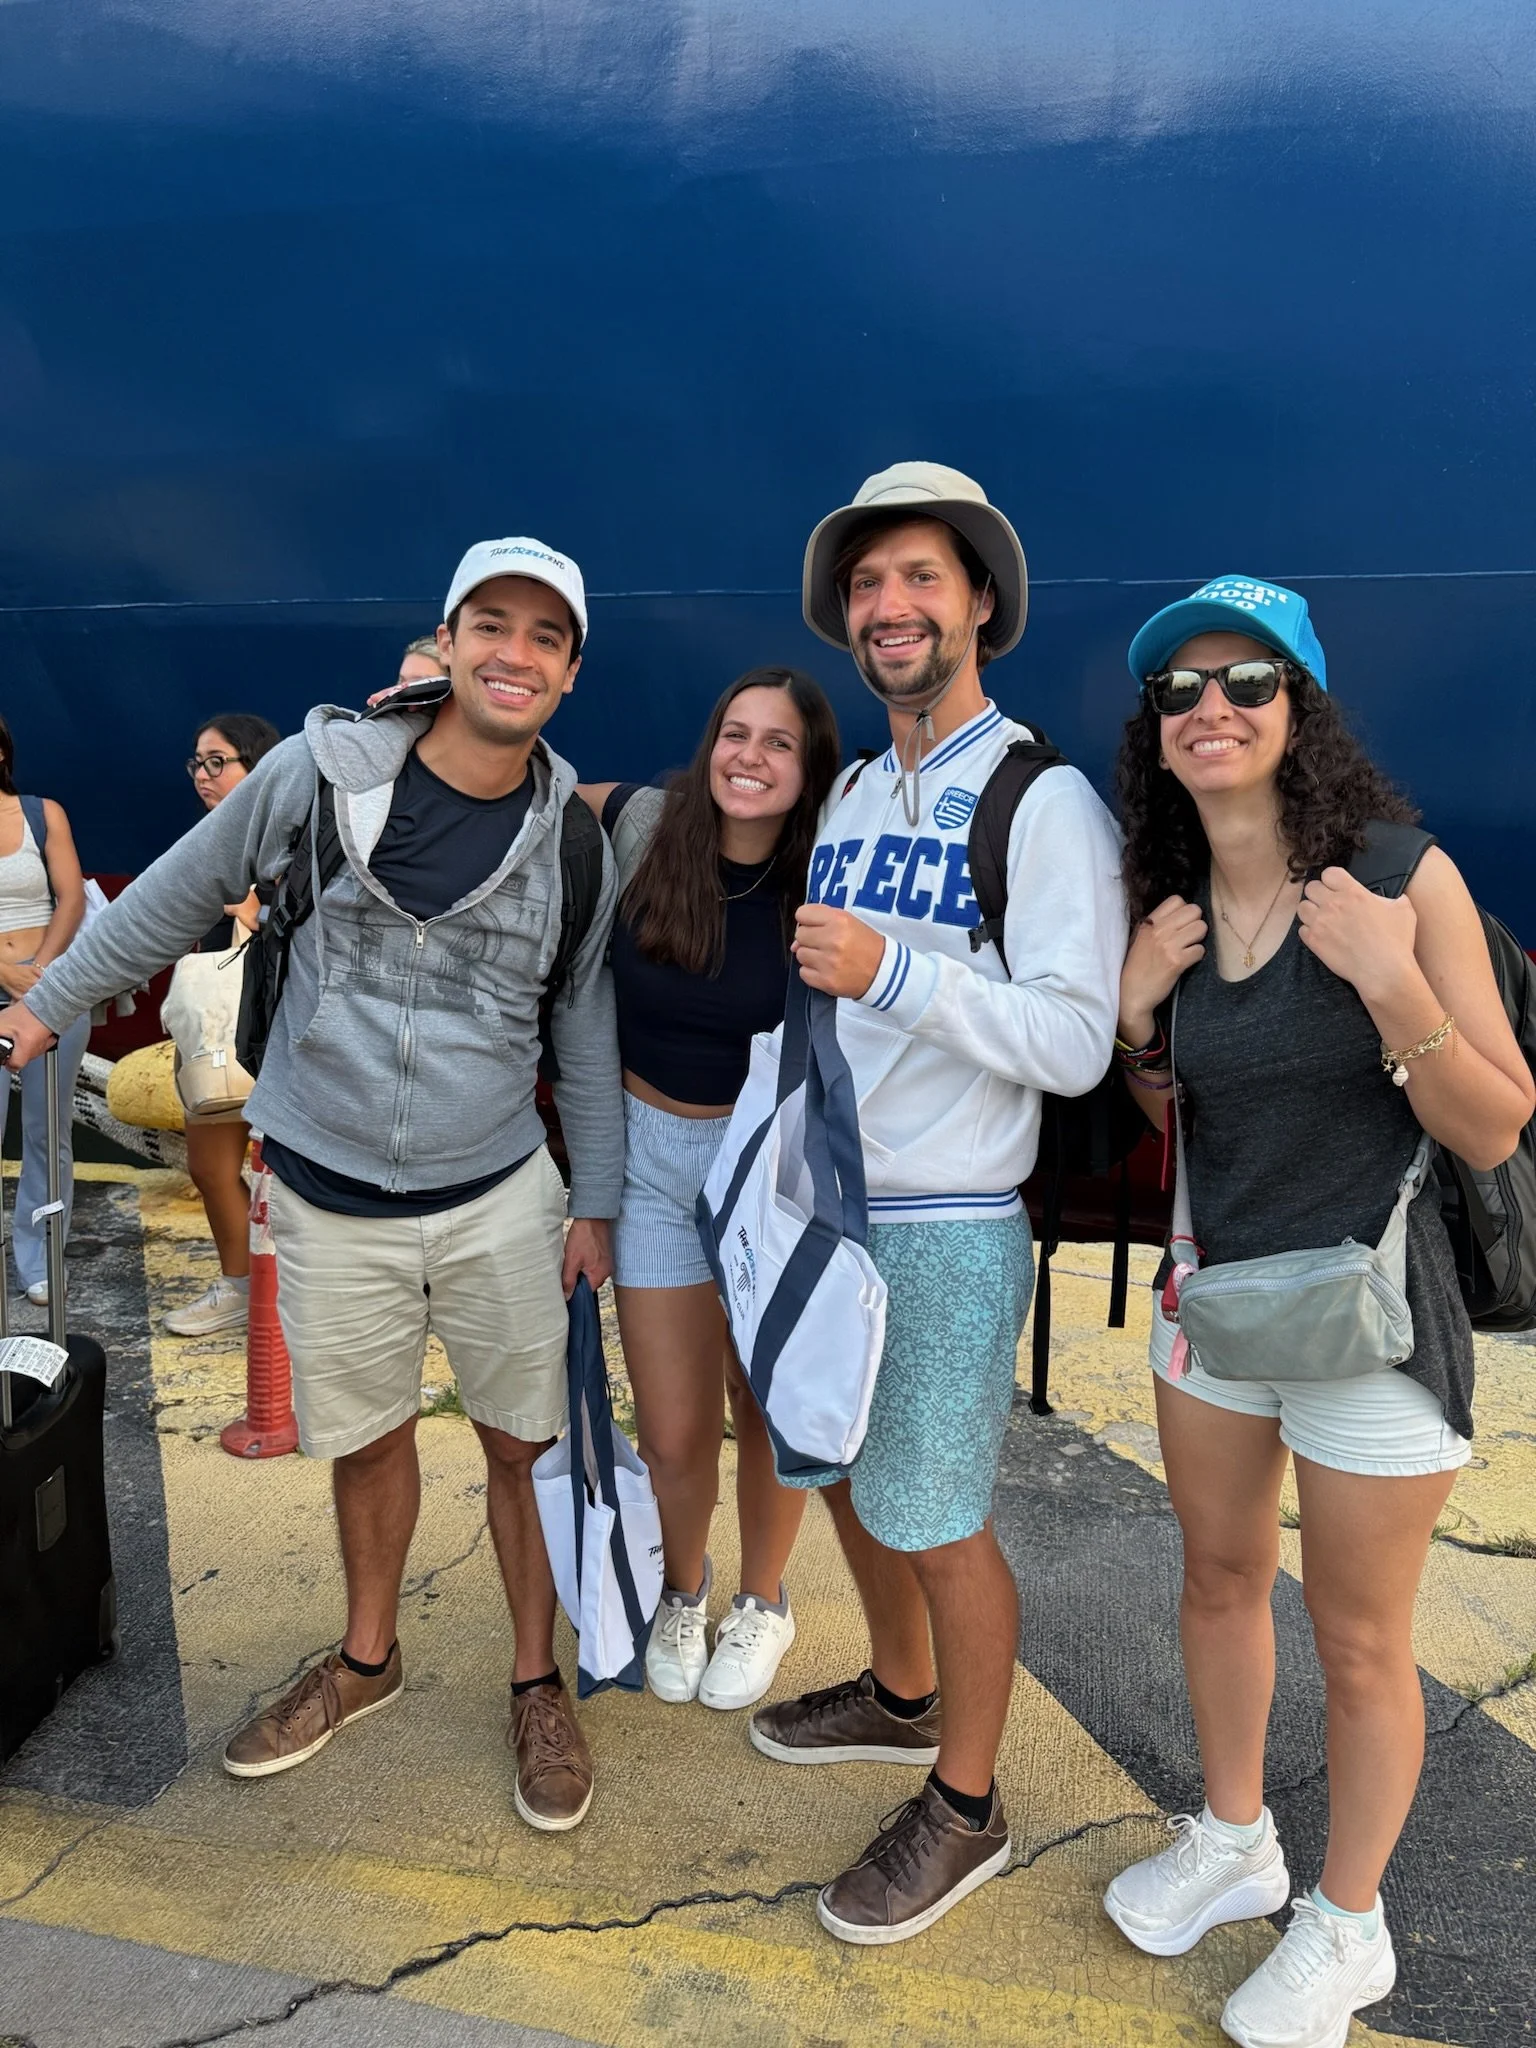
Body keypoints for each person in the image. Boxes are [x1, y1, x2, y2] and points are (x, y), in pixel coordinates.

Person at [1, 537, 623, 1833]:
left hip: (497, 1189)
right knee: (368, 1438)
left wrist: (599, 1203)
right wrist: (48, 1008)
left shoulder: (571, 839)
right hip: (331, 1189)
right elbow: (173, 896)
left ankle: (533, 1678)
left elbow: (582, 1032)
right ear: (449, 644)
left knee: (523, 1446)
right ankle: (366, 1658)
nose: (515, 653)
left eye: (546, 638)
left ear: (568, 673)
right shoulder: (311, 775)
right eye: (491, 626)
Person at [1101, 577, 1532, 2048]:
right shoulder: (1165, 907)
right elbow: (1190, 1111)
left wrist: (1393, 983)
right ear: (1157, 733)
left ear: (1302, 714)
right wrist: (1139, 1020)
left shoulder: (1400, 881)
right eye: (1183, 692)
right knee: (1217, 1581)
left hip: (1372, 1319)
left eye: (1249, 684)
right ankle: (1236, 1841)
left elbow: (1494, 1125)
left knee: (1360, 1642)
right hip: (1217, 1303)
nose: (1212, 709)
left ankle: (1350, 1929)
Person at [747, 463, 1127, 1944]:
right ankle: (905, 1700)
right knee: (845, 1472)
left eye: (919, 579)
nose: (887, 606)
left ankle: (968, 1808)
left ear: (980, 603)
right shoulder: (849, 786)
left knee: (940, 1513)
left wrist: (895, 971)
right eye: (866, 583)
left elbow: (1075, 1037)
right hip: (832, 1205)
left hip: (953, 1218)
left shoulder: (1041, 800)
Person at [577, 667, 841, 1712]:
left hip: (767, 1169)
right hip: (650, 1161)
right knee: (676, 1425)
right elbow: (533, 784)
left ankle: (762, 1598)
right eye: (736, 732)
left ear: (810, 765)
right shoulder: (644, 825)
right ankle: (681, 1592)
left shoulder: (826, 869)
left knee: (765, 1401)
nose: (751, 756)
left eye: (780, 742)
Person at [163, 712, 282, 1337]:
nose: (203, 776)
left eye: (218, 762)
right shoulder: (210, 839)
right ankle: (239, 1286)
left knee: (285, 1179)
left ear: (256, 766)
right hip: (213, 1030)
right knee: (209, 1167)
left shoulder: (276, 840)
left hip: (264, 1033)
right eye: (197, 764)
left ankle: (267, 1295)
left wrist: (243, 903)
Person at [0, 715, 89, 1307]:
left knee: (46, 1132)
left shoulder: (41, 813)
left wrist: (42, 975)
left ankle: (37, 1259)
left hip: (50, 988)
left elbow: (73, 895)